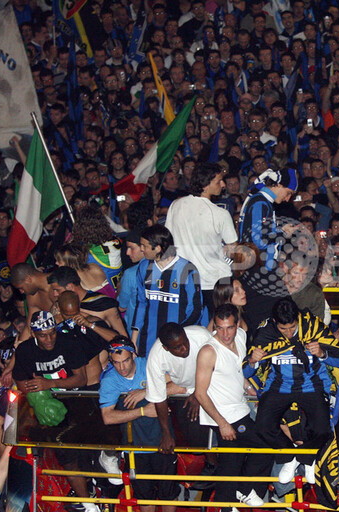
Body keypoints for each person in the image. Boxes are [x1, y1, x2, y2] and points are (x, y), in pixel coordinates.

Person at [243, 298, 339, 485]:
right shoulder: (265, 331)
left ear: (298, 318)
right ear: (275, 323)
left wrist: (322, 353)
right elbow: (245, 372)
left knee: (323, 430)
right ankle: (290, 457)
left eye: (293, 327)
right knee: (262, 427)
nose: (290, 333)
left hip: (312, 385)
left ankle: (306, 458)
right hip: (278, 386)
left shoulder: (313, 326)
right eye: (284, 329)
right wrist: (252, 360)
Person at [12, 311, 92, 511]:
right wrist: (37, 392)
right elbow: (20, 382)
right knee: (66, 455)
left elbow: (81, 379)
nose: (49, 339)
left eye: (52, 333)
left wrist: (50, 384)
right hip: (49, 409)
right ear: (33, 334)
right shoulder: (25, 350)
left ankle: (92, 492)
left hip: (77, 401)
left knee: (87, 450)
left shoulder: (68, 343)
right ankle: (88, 504)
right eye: (43, 335)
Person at [194, 304, 270, 508]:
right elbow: (200, 393)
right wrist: (222, 423)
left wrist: (248, 387)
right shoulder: (208, 351)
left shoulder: (241, 337)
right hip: (226, 416)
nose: (225, 334)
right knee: (265, 445)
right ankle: (245, 489)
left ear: (237, 325)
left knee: (231, 463)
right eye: (219, 328)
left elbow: (236, 371)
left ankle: (226, 504)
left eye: (229, 328)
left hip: (240, 409)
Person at [98, 338, 178, 512]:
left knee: (168, 494)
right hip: (135, 448)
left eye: (126, 360)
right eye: (116, 363)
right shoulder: (110, 379)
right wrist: (143, 411)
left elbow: (182, 385)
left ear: (134, 355)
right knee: (144, 496)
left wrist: (146, 392)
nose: (122, 367)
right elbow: (108, 417)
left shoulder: (150, 364)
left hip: (163, 441)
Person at [165, 163, 238, 317]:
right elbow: (233, 250)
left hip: (184, 279)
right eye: (218, 181)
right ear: (205, 185)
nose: (223, 185)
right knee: (221, 323)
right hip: (216, 281)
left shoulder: (175, 205)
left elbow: (168, 242)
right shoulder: (220, 214)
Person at [131, 225, 208, 356]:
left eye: (144, 246)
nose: (141, 249)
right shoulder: (144, 267)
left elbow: (195, 310)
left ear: (158, 248)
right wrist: (134, 340)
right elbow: (141, 304)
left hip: (177, 343)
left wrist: (177, 337)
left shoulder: (187, 270)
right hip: (148, 341)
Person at [237, 168, 299, 330]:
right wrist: (283, 233)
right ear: (278, 185)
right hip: (259, 271)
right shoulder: (260, 202)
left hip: (258, 270)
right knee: (283, 316)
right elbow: (258, 239)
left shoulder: (260, 201)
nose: (288, 199)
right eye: (288, 193)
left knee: (273, 320)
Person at [145, 323, 213, 454]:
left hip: (212, 384)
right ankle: (207, 460)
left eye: (185, 342)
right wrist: (166, 433)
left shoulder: (201, 336)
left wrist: (199, 392)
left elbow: (220, 367)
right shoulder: (156, 357)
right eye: (177, 347)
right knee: (194, 437)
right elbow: (159, 397)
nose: (185, 348)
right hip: (185, 391)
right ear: (166, 348)